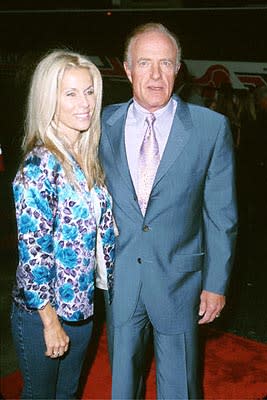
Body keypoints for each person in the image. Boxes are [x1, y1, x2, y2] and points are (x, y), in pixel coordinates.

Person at [100, 22, 237, 399]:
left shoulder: (211, 128)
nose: (156, 75)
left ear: (179, 69)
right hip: (122, 281)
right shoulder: (99, 124)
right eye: (144, 63)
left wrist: (215, 283)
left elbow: (221, 214)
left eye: (166, 63)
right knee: (123, 385)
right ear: (127, 69)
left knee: (180, 386)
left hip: (181, 282)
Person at [10, 49, 115, 400]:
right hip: (42, 315)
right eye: (70, 93)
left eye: (89, 92)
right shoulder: (39, 167)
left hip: (81, 308)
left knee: (67, 395)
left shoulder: (86, 160)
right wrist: (50, 322)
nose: (85, 102)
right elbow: (33, 256)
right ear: (48, 101)